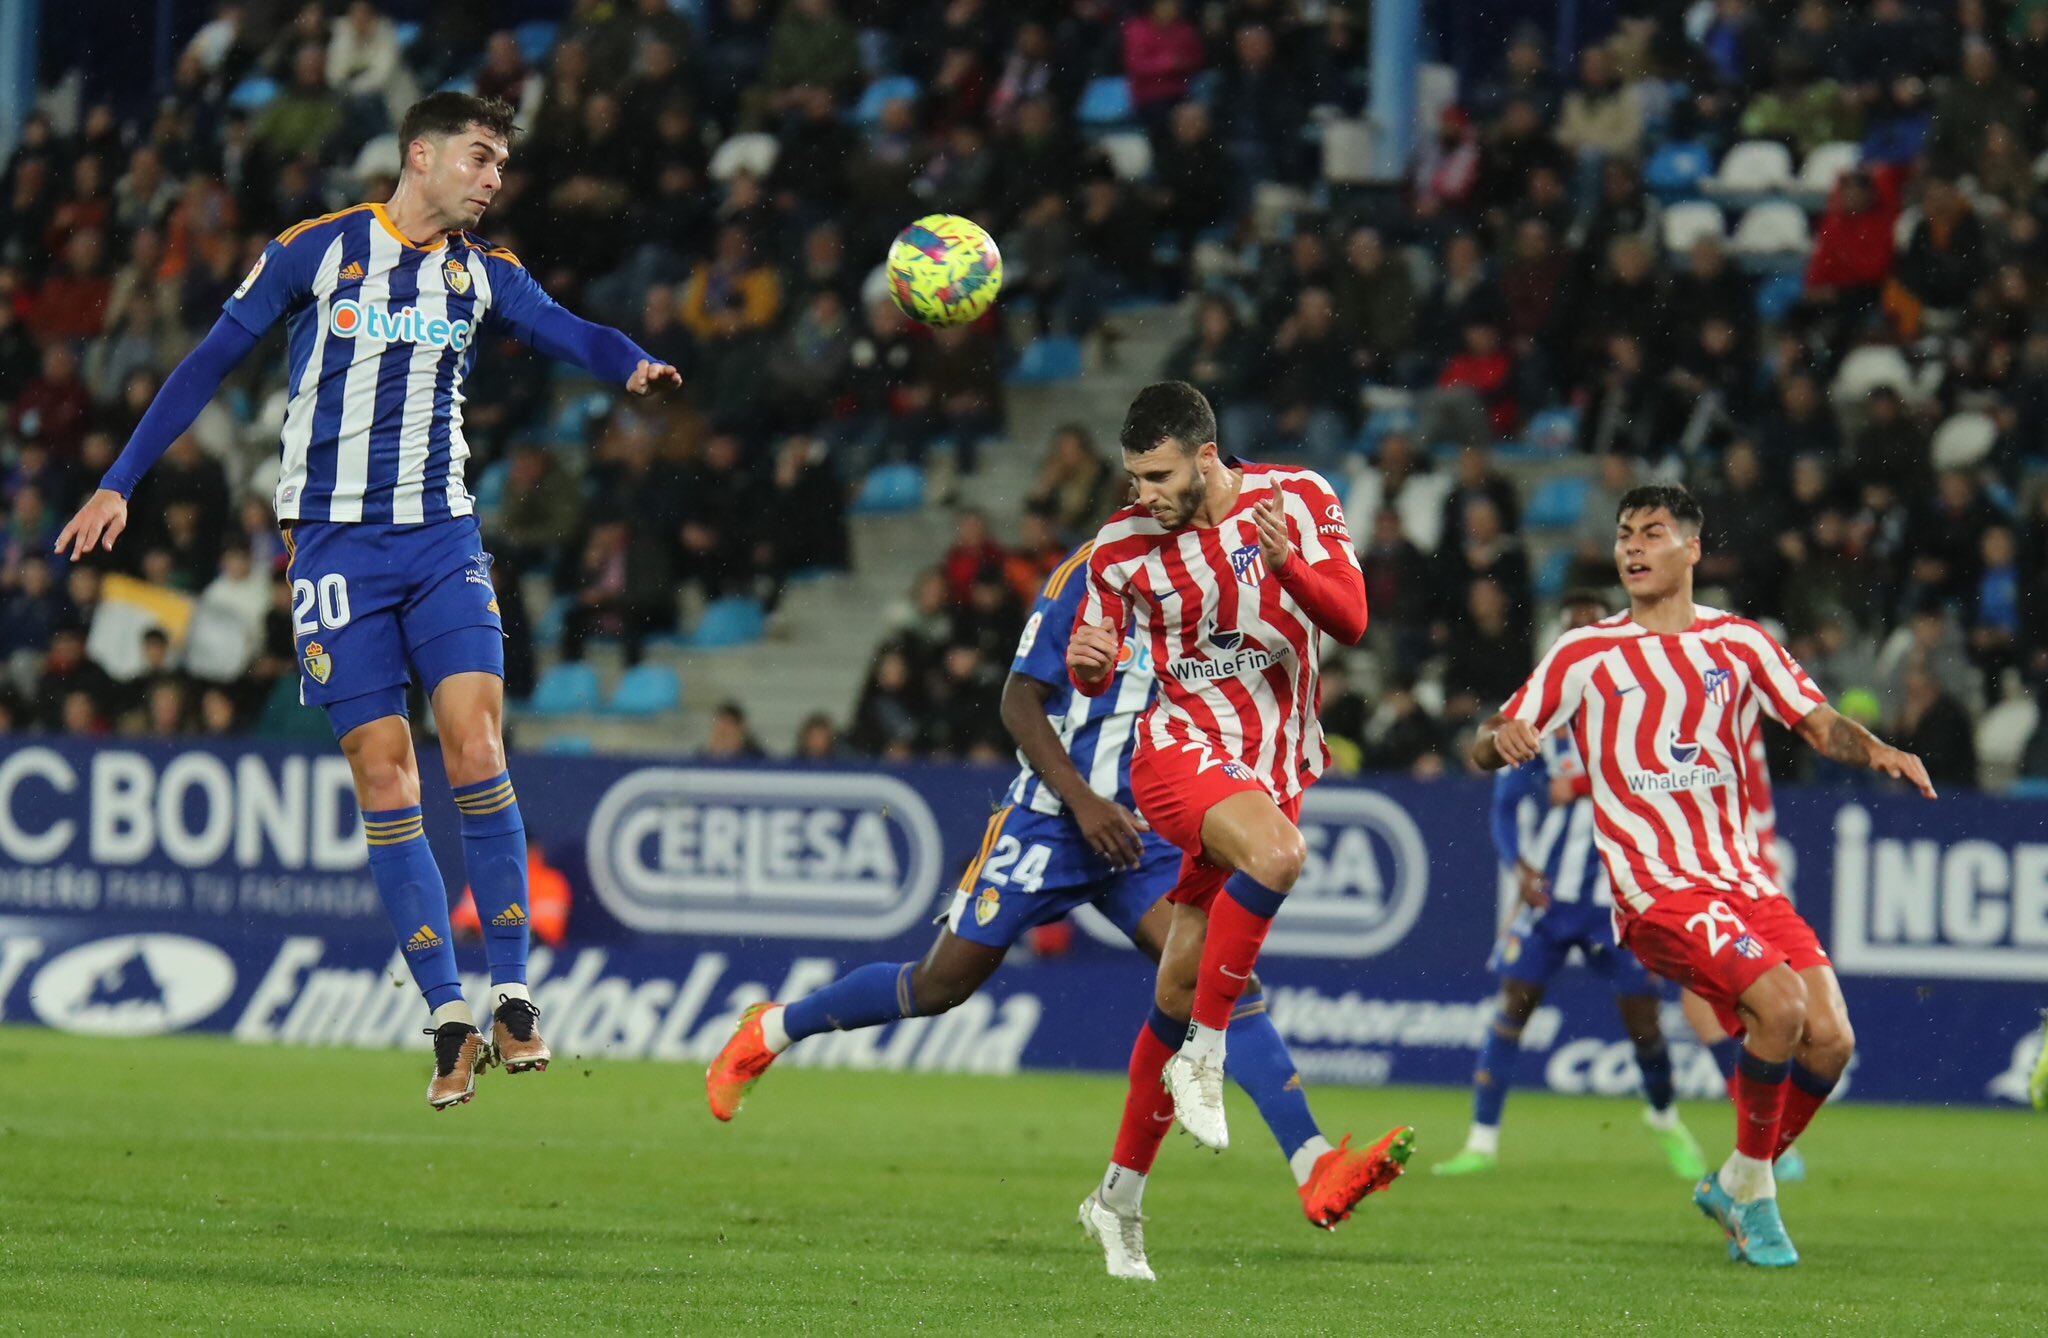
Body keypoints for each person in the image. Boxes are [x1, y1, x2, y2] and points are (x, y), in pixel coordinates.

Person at [54, 93, 681, 1111]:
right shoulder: (318, 249)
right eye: (478, 158)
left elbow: (575, 331)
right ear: (420, 155)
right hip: (335, 548)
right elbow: (210, 361)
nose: (492, 178)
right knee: (384, 774)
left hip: (441, 539)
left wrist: (631, 363)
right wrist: (122, 478)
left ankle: (513, 990)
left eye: (500, 164)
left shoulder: (484, 276)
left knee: (476, 745)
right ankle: (446, 1012)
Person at [707, 543, 1400, 1266]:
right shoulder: (1091, 572)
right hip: (1053, 815)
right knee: (939, 984)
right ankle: (772, 1029)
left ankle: (1314, 1163)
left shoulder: (1213, 569)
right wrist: (1083, 800)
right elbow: (1017, 699)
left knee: (1214, 980)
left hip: (1151, 828)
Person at [1469, 484, 1935, 1269]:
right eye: (1624, 535)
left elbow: (1819, 724)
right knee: (1780, 1009)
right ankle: (1755, 1201)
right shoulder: (1585, 653)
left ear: (1692, 547)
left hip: (1744, 880)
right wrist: (1500, 739)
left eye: (1652, 533)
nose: (1633, 548)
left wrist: (1878, 748)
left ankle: (1738, 1181)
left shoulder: (1741, 643)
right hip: (1657, 890)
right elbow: (1486, 743)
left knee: (1831, 1041)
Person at [1064, 382, 1411, 1280]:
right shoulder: (1121, 548)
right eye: (1135, 475)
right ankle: (1208, 1059)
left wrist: (1288, 564)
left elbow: (1353, 619)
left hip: (1278, 764)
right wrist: (1089, 665)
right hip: (1181, 750)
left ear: (1205, 455)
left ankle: (1118, 1202)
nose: (1144, 492)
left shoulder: (1300, 498)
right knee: (1280, 858)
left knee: (1176, 988)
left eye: (1159, 474)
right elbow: (1095, 663)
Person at [1435, 590, 1707, 1182]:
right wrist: (1518, 866)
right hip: (1553, 895)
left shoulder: (1646, 710)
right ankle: (1481, 1142)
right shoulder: (1541, 713)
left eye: (1592, 626)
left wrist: (1587, 790)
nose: (1582, 638)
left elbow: (1674, 790)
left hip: (1619, 897)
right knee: (1514, 1007)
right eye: (1571, 628)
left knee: (1645, 1024)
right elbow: (1505, 801)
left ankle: (1664, 1120)